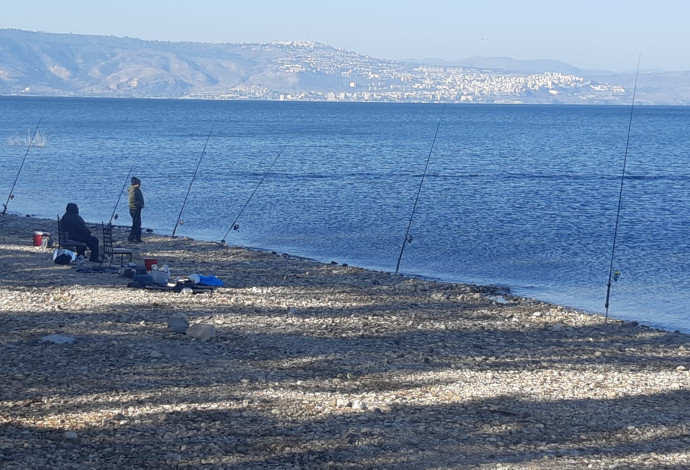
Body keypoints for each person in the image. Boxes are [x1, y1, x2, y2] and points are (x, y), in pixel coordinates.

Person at [128, 176, 145, 243]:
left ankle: (137, 238)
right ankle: (132, 238)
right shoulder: (133, 190)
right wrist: (140, 205)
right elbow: (132, 200)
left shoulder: (136, 189)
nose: (140, 184)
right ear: (135, 183)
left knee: (137, 223)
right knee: (136, 224)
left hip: (136, 208)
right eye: (139, 183)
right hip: (134, 209)